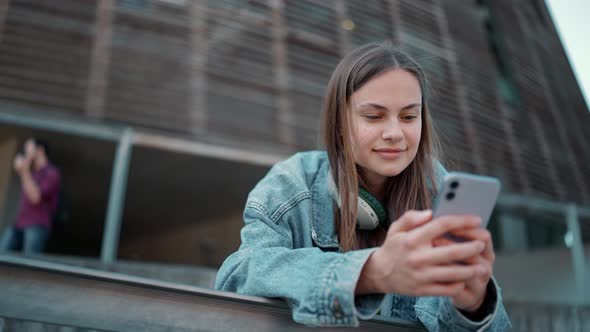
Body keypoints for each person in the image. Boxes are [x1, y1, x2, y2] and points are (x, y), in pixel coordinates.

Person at [215, 42, 510, 331]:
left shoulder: (439, 192)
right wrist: (372, 272)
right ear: (339, 122)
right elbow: (238, 276)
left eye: (409, 116)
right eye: (373, 116)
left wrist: (474, 308)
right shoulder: (291, 183)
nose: (395, 133)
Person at [0, 138, 61, 254]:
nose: (26, 152)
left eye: (29, 148)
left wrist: (24, 171)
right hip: (19, 223)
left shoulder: (52, 173)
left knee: (29, 262)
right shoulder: (32, 174)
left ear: (40, 150)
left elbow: (35, 198)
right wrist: (25, 171)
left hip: (36, 225)